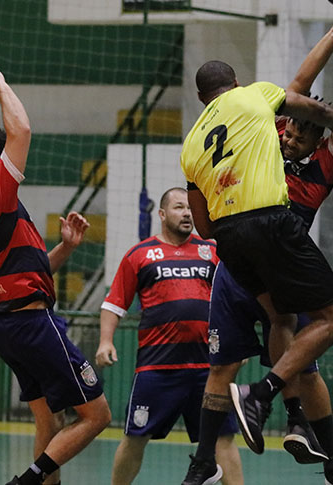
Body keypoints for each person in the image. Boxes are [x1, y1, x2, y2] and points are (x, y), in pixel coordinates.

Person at [186, 0, 333, 485]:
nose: (290, 137)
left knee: (297, 346)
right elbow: (297, 88)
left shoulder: (326, 163)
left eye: (300, 135)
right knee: (224, 366)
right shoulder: (263, 131)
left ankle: (320, 450)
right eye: (289, 130)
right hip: (246, 259)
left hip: (278, 253)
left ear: (319, 141)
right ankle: (205, 461)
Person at [0, 57, 111, 485]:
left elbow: (32, 269)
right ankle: (26, 481)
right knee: (97, 415)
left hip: (9, 324)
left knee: (49, 420)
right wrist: (0, 85)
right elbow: (22, 130)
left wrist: (66, 247)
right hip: (32, 323)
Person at [95, 187, 243, 485]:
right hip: (157, 368)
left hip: (208, 370)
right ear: (162, 214)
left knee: (222, 438)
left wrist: (237, 342)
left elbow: (234, 300)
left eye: (189, 208)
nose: (187, 213)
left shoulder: (212, 252)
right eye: (179, 207)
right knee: (135, 437)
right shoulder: (139, 254)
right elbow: (114, 303)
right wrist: (105, 341)